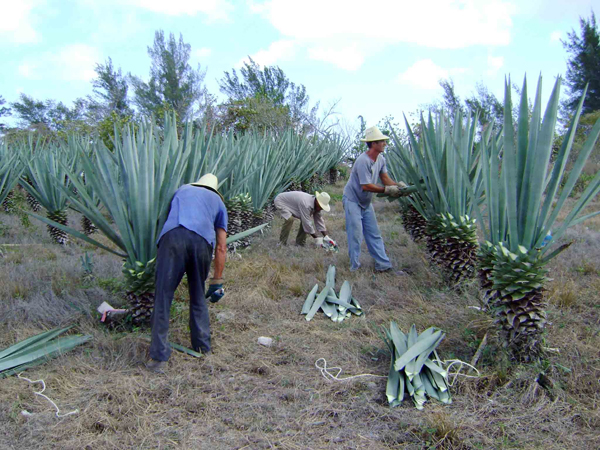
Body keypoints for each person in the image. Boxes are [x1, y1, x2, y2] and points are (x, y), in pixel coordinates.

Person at [146, 174, 228, 373]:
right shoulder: (218, 202)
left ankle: (158, 358)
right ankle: (202, 347)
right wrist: (217, 280)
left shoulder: (181, 190)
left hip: (172, 238)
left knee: (163, 297)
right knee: (197, 294)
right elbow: (221, 247)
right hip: (201, 242)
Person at [342, 126, 408, 272]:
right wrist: (386, 190)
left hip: (365, 202)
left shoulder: (381, 159)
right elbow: (365, 186)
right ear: (373, 144)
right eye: (381, 141)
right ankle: (354, 267)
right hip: (352, 200)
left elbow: (385, 178)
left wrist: (398, 186)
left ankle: (383, 265)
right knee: (356, 235)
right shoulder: (362, 161)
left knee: (374, 233)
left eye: (384, 141)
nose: (384, 143)